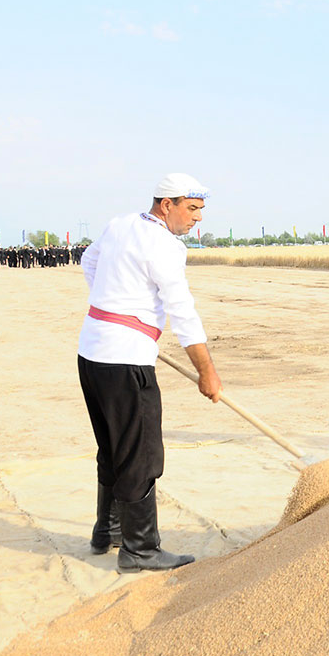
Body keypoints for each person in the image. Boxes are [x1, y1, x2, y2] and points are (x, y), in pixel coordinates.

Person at [78, 172, 222, 572]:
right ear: (167, 205)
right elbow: (182, 311)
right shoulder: (166, 245)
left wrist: (118, 312)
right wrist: (207, 371)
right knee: (140, 454)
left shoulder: (120, 224)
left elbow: (89, 261)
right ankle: (140, 550)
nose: (196, 219)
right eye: (192, 209)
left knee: (112, 447)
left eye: (200, 210)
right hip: (124, 359)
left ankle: (107, 532)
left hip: (92, 351)